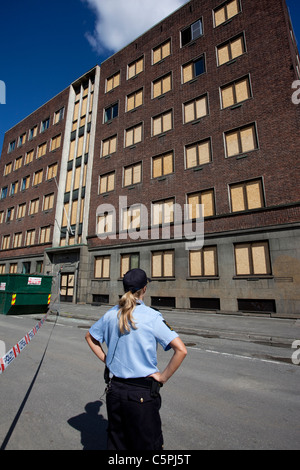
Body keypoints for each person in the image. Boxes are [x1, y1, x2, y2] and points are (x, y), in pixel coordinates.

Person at [85, 268, 187, 450]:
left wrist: (108, 360)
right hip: (142, 394)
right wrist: (162, 377)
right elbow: (181, 350)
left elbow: (90, 338)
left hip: (115, 392)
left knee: (117, 444)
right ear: (144, 289)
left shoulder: (110, 314)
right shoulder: (151, 316)